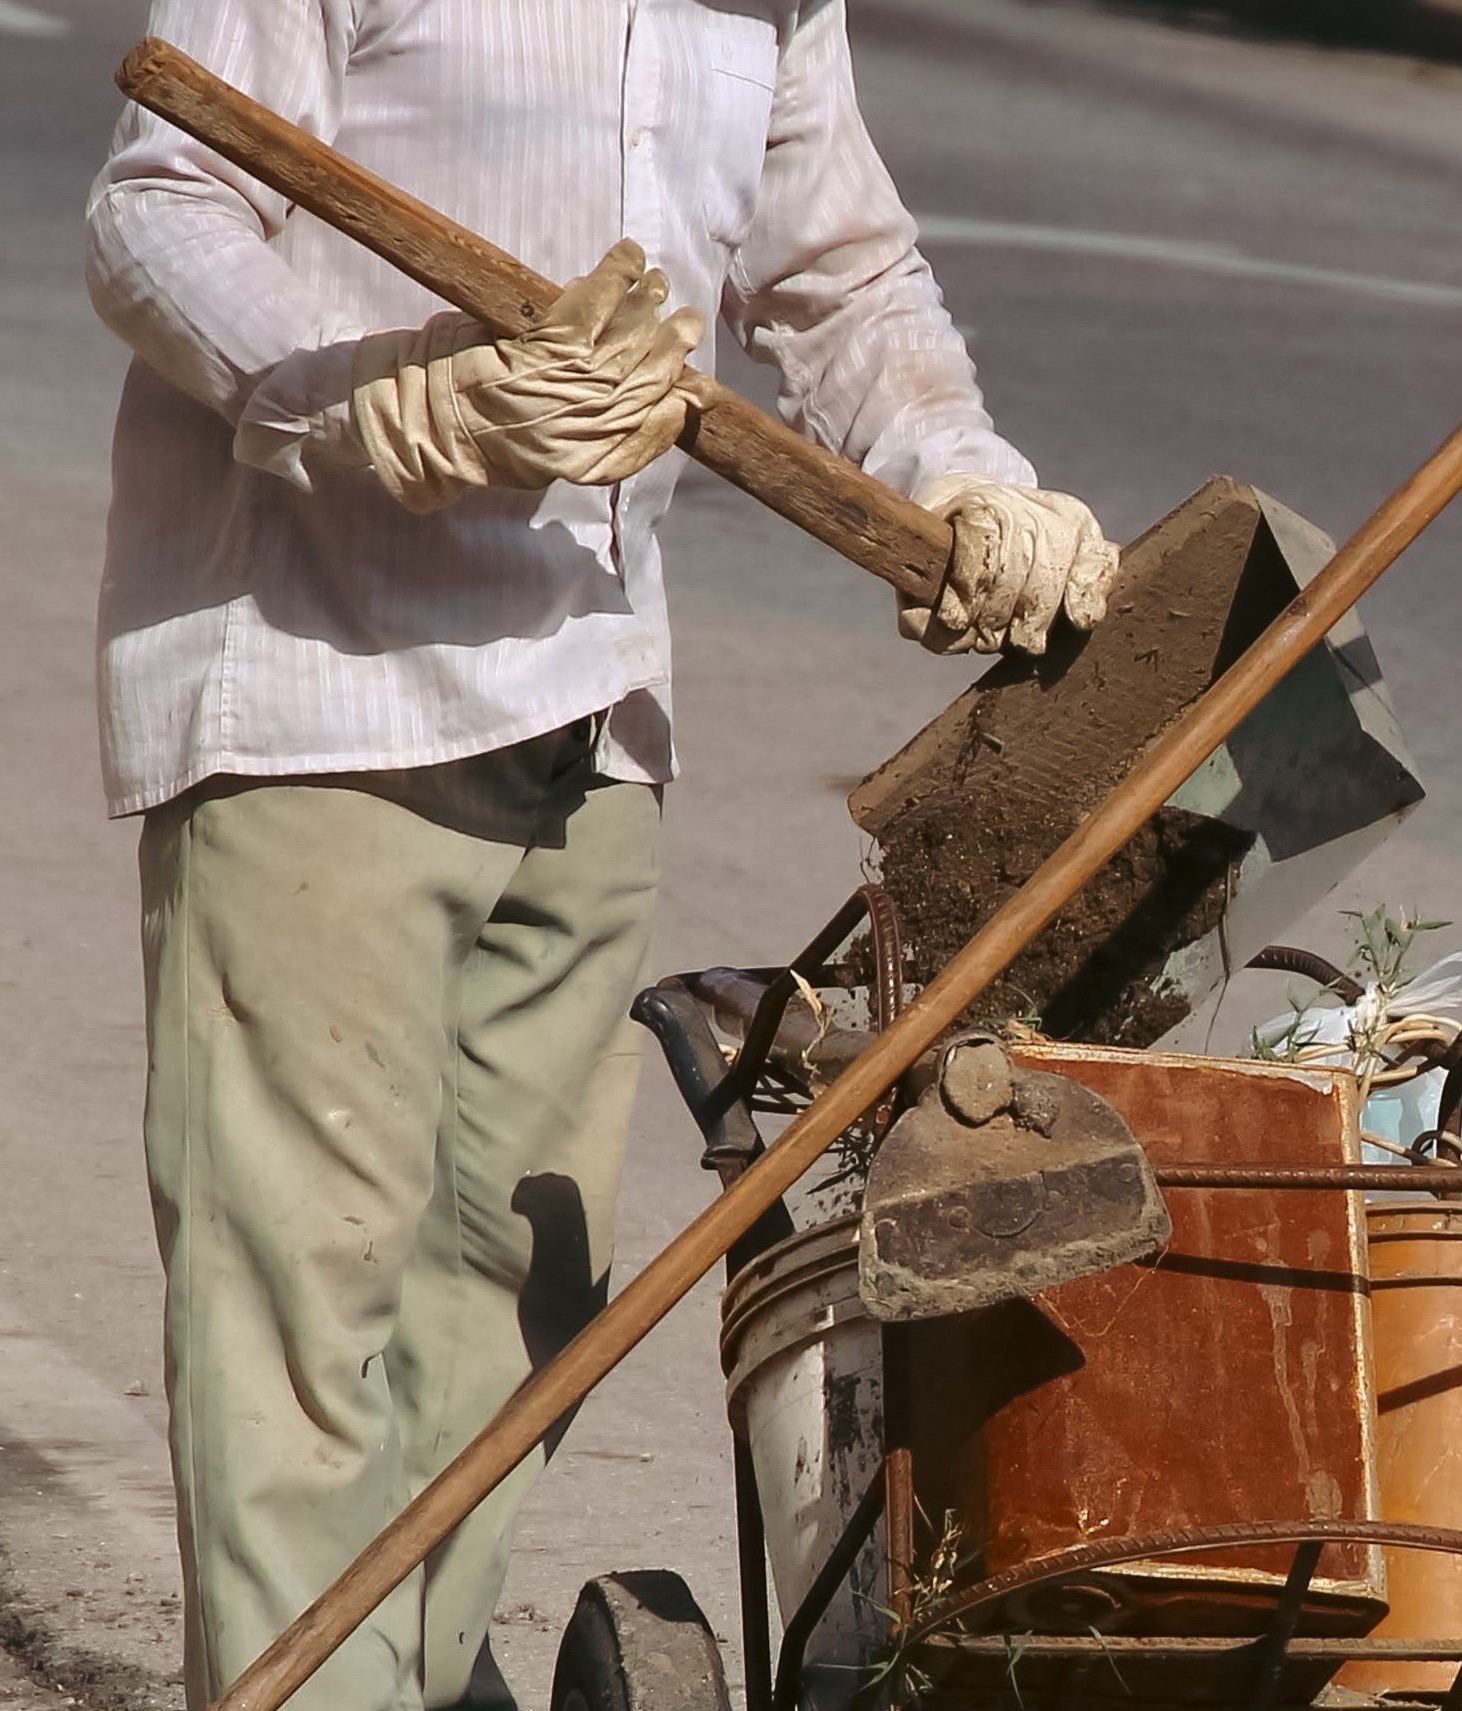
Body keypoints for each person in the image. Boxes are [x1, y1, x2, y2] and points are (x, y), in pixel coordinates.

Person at [83, 7, 1120, 1711]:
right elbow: (162, 207)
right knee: (301, 1306)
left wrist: (964, 477)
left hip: (593, 709)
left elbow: (842, 277)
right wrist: (363, 401)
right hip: (320, 682)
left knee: (516, 1292)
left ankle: (401, 1680)